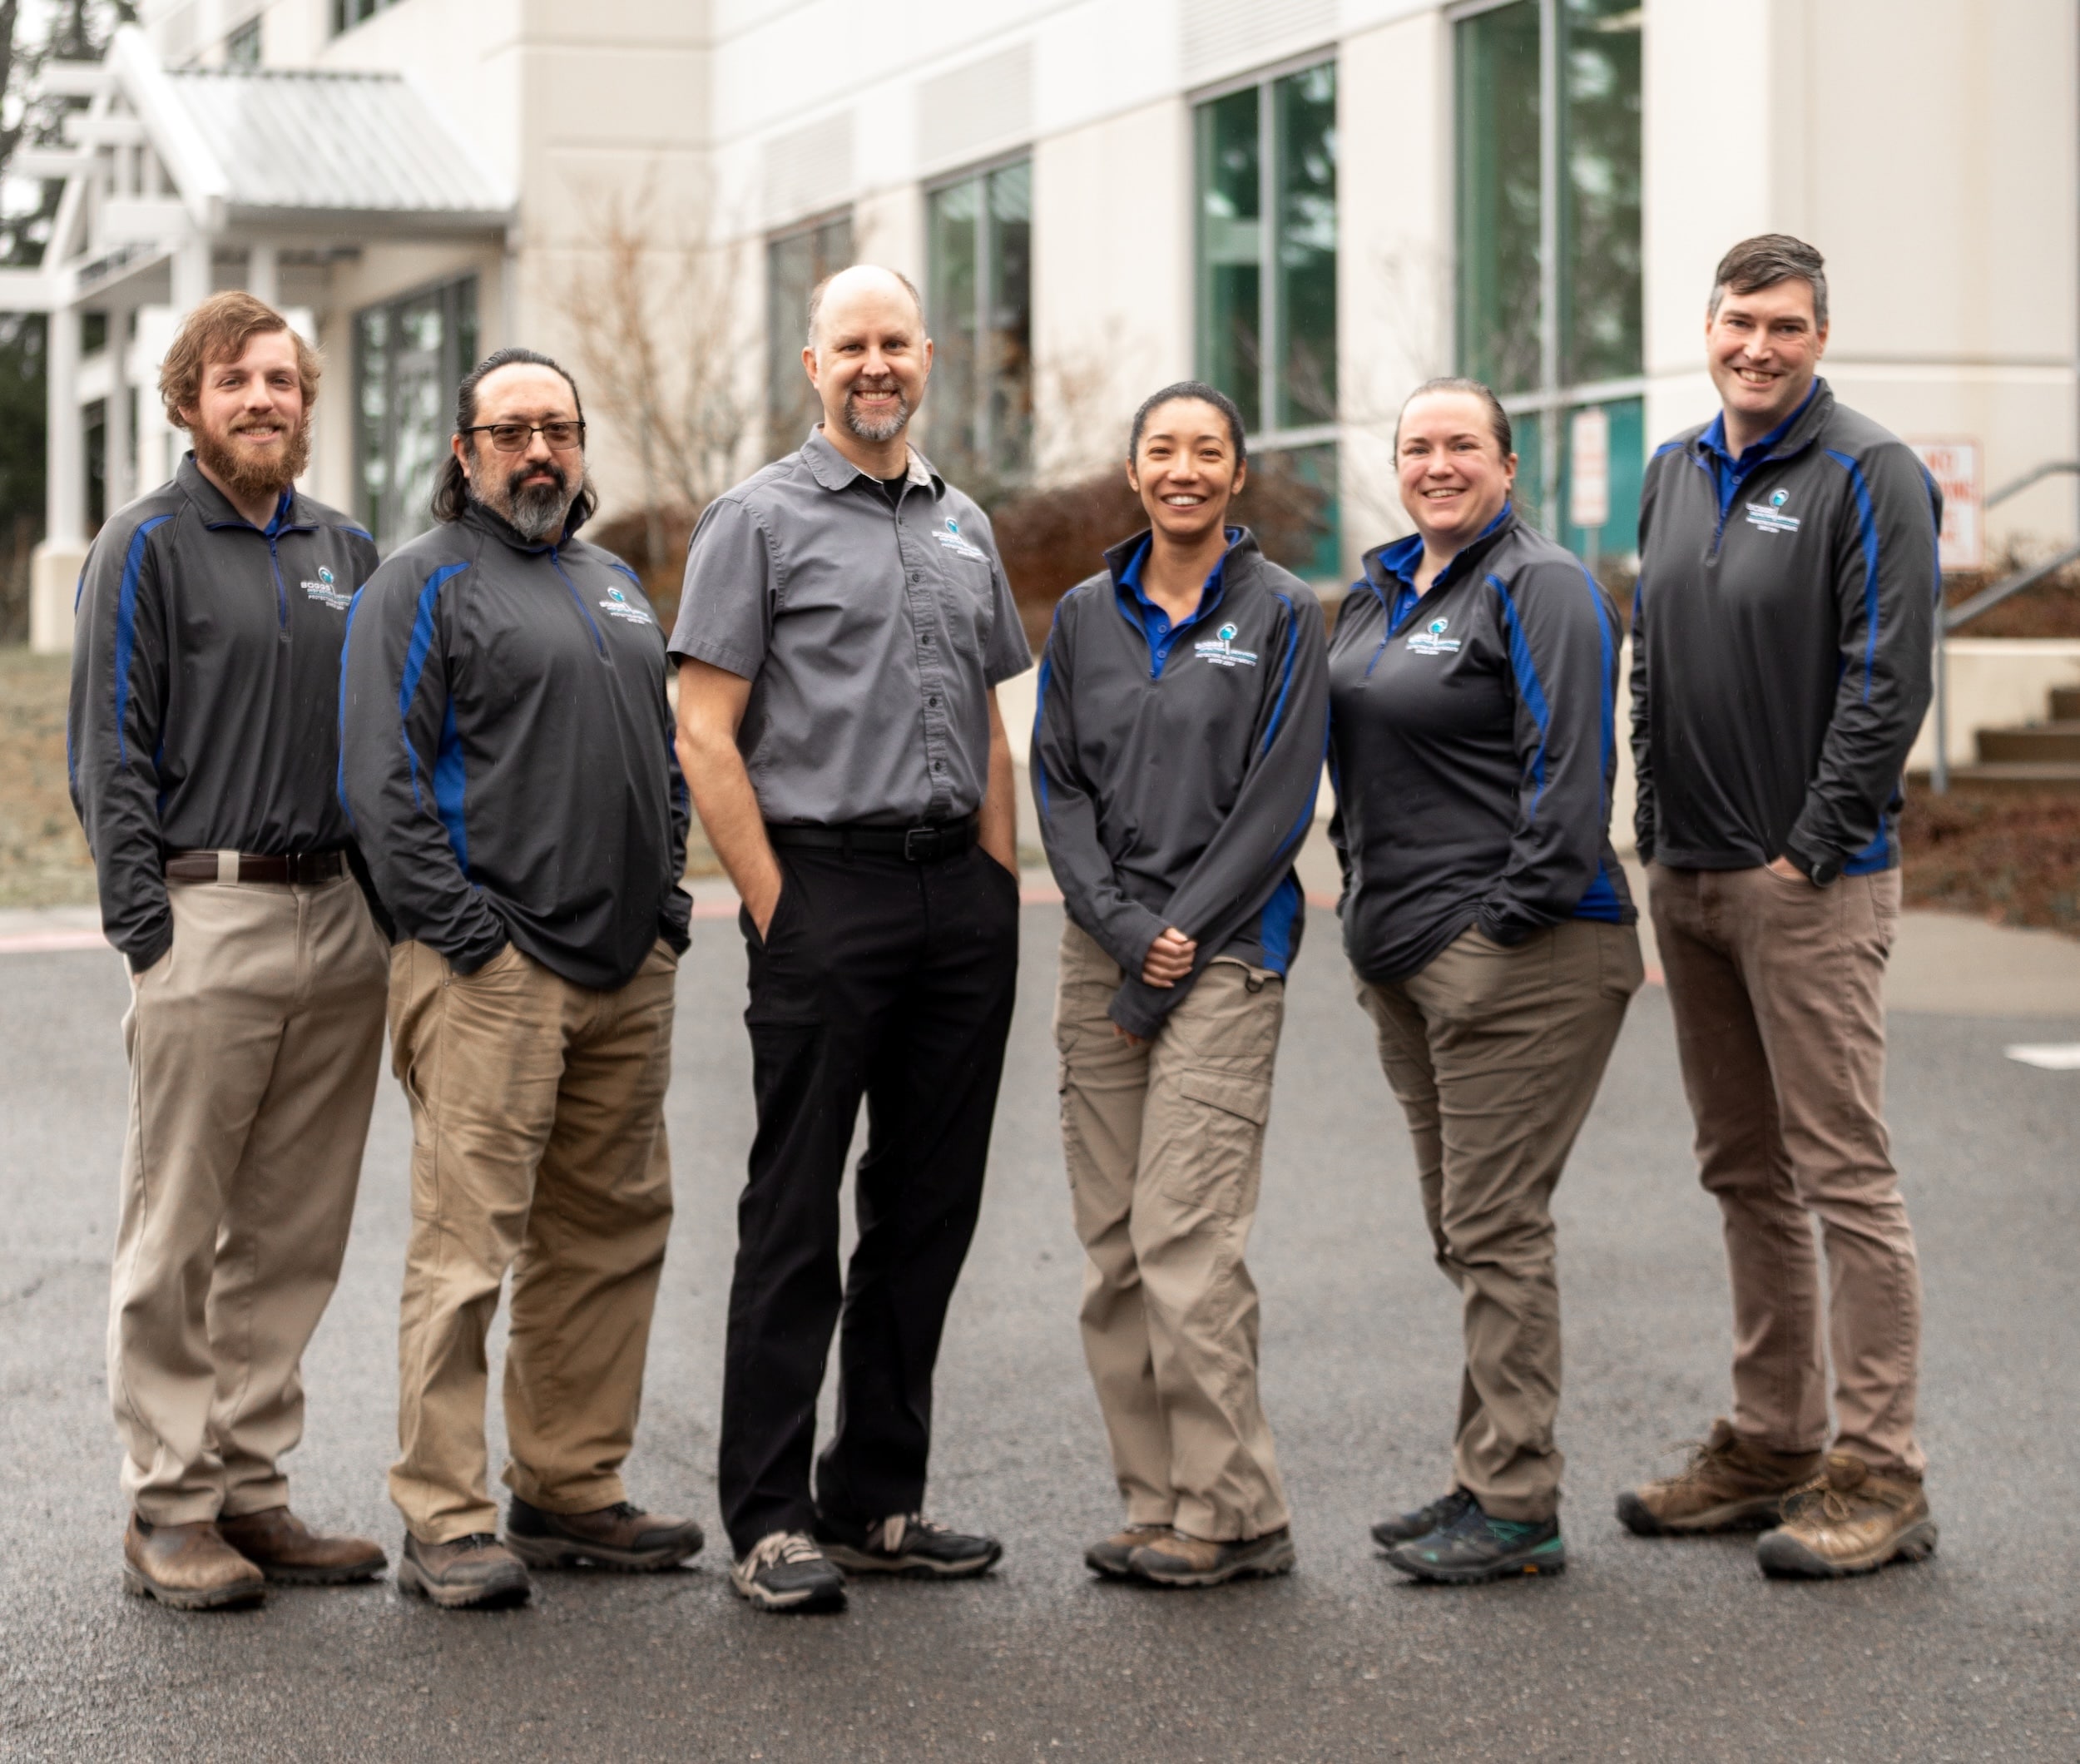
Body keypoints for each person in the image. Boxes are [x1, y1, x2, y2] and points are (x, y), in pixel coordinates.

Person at [673, 264, 1028, 1613]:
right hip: (822, 891)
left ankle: (876, 1495)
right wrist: (778, 908)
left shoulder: (964, 525)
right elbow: (704, 732)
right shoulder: (754, 521)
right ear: (811, 364)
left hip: (959, 903)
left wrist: (994, 891)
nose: (875, 366)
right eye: (851, 347)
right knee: (793, 1214)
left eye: (896, 344)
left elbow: (991, 725)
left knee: (926, 1210)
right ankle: (768, 1518)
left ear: (926, 356)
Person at [339, 348, 701, 1610]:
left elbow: (661, 753)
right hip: (493, 972)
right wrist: (469, 938)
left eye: (558, 429)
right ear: (464, 450)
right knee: (466, 1247)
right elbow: (381, 783)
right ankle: (445, 1515)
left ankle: (568, 1486)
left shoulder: (613, 584)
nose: (537, 451)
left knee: (607, 1233)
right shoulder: (420, 583)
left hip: (624, 967)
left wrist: (665, 910)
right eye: (510, 432)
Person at [1619, 235, 1940, 1578]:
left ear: (1821, 338)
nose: (1761, 346)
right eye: (1741, 320)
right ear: (1708, 326)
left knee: (1844, 1178)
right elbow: (1654, 655)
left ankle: (1883, 1471)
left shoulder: (1868, 472)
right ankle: (1772, 1442)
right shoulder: (1673, 473)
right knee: (1742, 1171)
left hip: (1806, 887)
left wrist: (1807, 853)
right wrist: (1651, 824)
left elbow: (1889, 675)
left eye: (1788, 326)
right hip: (1688, 875)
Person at [68, 290, 389, 1610]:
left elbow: (385, 735)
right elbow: (109, 748)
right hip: (209, 913)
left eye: (283, 380)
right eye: (235, 379)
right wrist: (148, 930)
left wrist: (382, 906)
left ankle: (254, 1490)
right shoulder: (144, 543)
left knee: (294, 1230)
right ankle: (168, 1506)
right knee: (179, 1226)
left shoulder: (348, 549)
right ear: (189, 402)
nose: (264, 399)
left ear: (309, 403)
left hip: (338, 921)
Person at [1329, 376, 1642, 1585]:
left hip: (1529, 954)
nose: (1438, 463)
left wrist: (1495, 929)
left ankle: (1517, 1507)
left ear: (1509, 466)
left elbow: (1570, 774)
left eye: (1464, 445)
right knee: (1464, 1231)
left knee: (1497, 1228)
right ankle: (1483, 1475)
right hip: (1405, 957)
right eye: (1418, 446)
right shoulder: (1382, 589)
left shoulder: (1541, 583)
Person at [1033, 381, 1327, 1588]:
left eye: (1209, 451)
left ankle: (1234, 1508)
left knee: (1184, 1237)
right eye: (1165, 450)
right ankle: (1157, 1502)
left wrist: (1181, 933)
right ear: (1135, 470)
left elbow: (1281, 795)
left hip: (1227, 949)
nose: (1186, 470)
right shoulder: (1083, 617)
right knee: (1111, 1247)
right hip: (1102, 948)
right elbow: (1055, 784)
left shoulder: (1284, 613)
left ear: (1238, 476)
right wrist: (1116, 922)